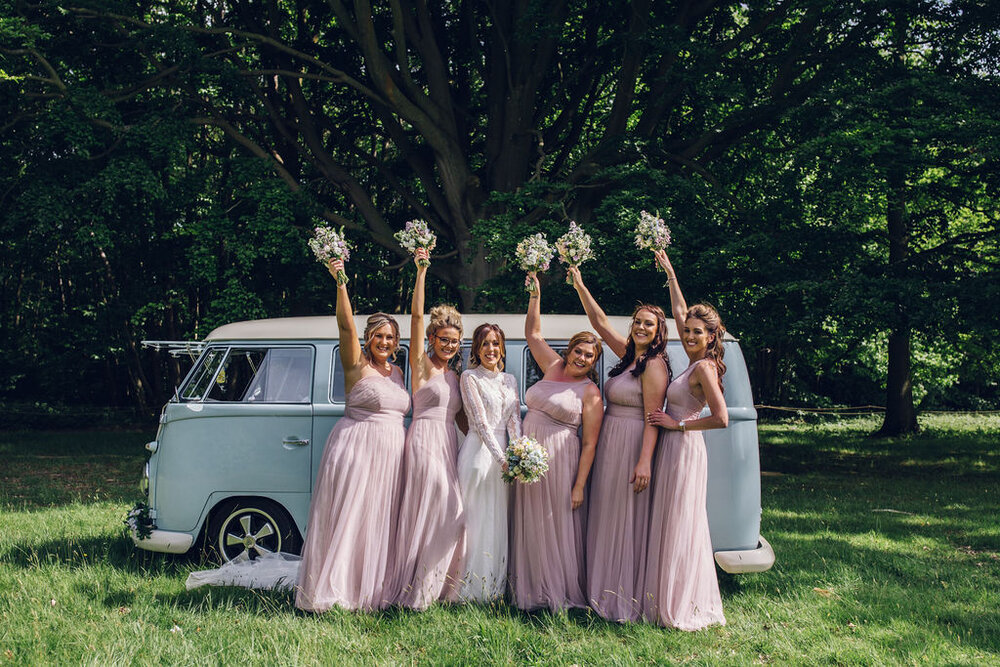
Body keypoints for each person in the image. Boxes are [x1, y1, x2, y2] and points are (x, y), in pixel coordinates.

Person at [295, 258, 410, 613]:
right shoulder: (356, 364)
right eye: (379, 335)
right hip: (357, 448)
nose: (385, 342)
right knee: (352, 517)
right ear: (368, 338)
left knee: (378, 522)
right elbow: (345, 325)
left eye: (390, 337)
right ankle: (337, 592)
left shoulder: (399, 372)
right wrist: (341, 282)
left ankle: (370, 589)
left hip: (391, 457)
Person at [568, 265, 669, 622]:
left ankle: (622, 597)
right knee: (606, 513)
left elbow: (653, 417)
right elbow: (598, 323)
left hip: (631, 446)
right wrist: (580, 282)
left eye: (648, 324)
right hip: (609, 442)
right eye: (637, 322)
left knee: (625, 518)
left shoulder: (654, 365)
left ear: (658, 333)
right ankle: (599, 590)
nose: (641, 327)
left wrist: (644, 461)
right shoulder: (629, 356)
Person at [641, 248, 728, 630]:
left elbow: (721, 418)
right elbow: (679, 312)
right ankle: (667, 597)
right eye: (687, 331)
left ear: (711, 337)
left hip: (684, 447)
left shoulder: (705, 367)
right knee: (671, 519)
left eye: (697, 332)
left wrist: (677, 426)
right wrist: (671, 272)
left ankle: (679, 603)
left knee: (680, 521)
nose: (689, 335)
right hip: (672, 448)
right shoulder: (693, 359)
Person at [510, 271, 603, 612]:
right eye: (578, 351)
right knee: (529, 520)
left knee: (555, 522)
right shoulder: (552, 366)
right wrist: (534, 291)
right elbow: (532, 333)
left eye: (588, 356)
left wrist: (579, 485)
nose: (581, 358)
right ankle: (529, 587)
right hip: (528, 455)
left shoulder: (590, 393)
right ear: (570, 350)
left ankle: (557, 591)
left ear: (594, 363)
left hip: (561, 459)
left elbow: (590, 443)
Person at [392, 248, 468, 609]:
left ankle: (436, 585)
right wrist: (422, 270)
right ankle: (414, 587)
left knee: (445, 511)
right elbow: (417, 316)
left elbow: (464, 421)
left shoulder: (455, 375)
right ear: (433, 339)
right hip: (423, 440)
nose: (449, 345)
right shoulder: (421, 366)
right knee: (436, 506)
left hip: (448, 445)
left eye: (454, 341)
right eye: (444, 339)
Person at [457, 322, 521, 602]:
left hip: (505, 456)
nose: (491, 349)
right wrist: (502, 459)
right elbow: (481, 423)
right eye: (485, 344)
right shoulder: (470, 377)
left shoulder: (510, 380)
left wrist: (518, 454)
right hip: (479, 454)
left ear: (502, 347)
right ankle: (467, 588)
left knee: (498, 519)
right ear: (476, 349)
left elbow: (513, 419)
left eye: (495, 343)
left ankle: (494, 587)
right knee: (477, 519)